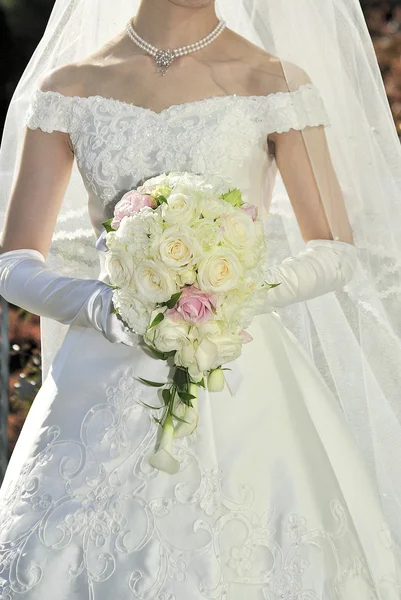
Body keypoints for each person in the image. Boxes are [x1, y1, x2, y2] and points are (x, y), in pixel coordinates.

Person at [0, 0, 401, 598]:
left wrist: (236, 293)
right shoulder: (73, 87)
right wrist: (99, 306)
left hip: (239, 370)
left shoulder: (273, 82)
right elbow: (13, 262)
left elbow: (335, 249)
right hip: (100, 374)